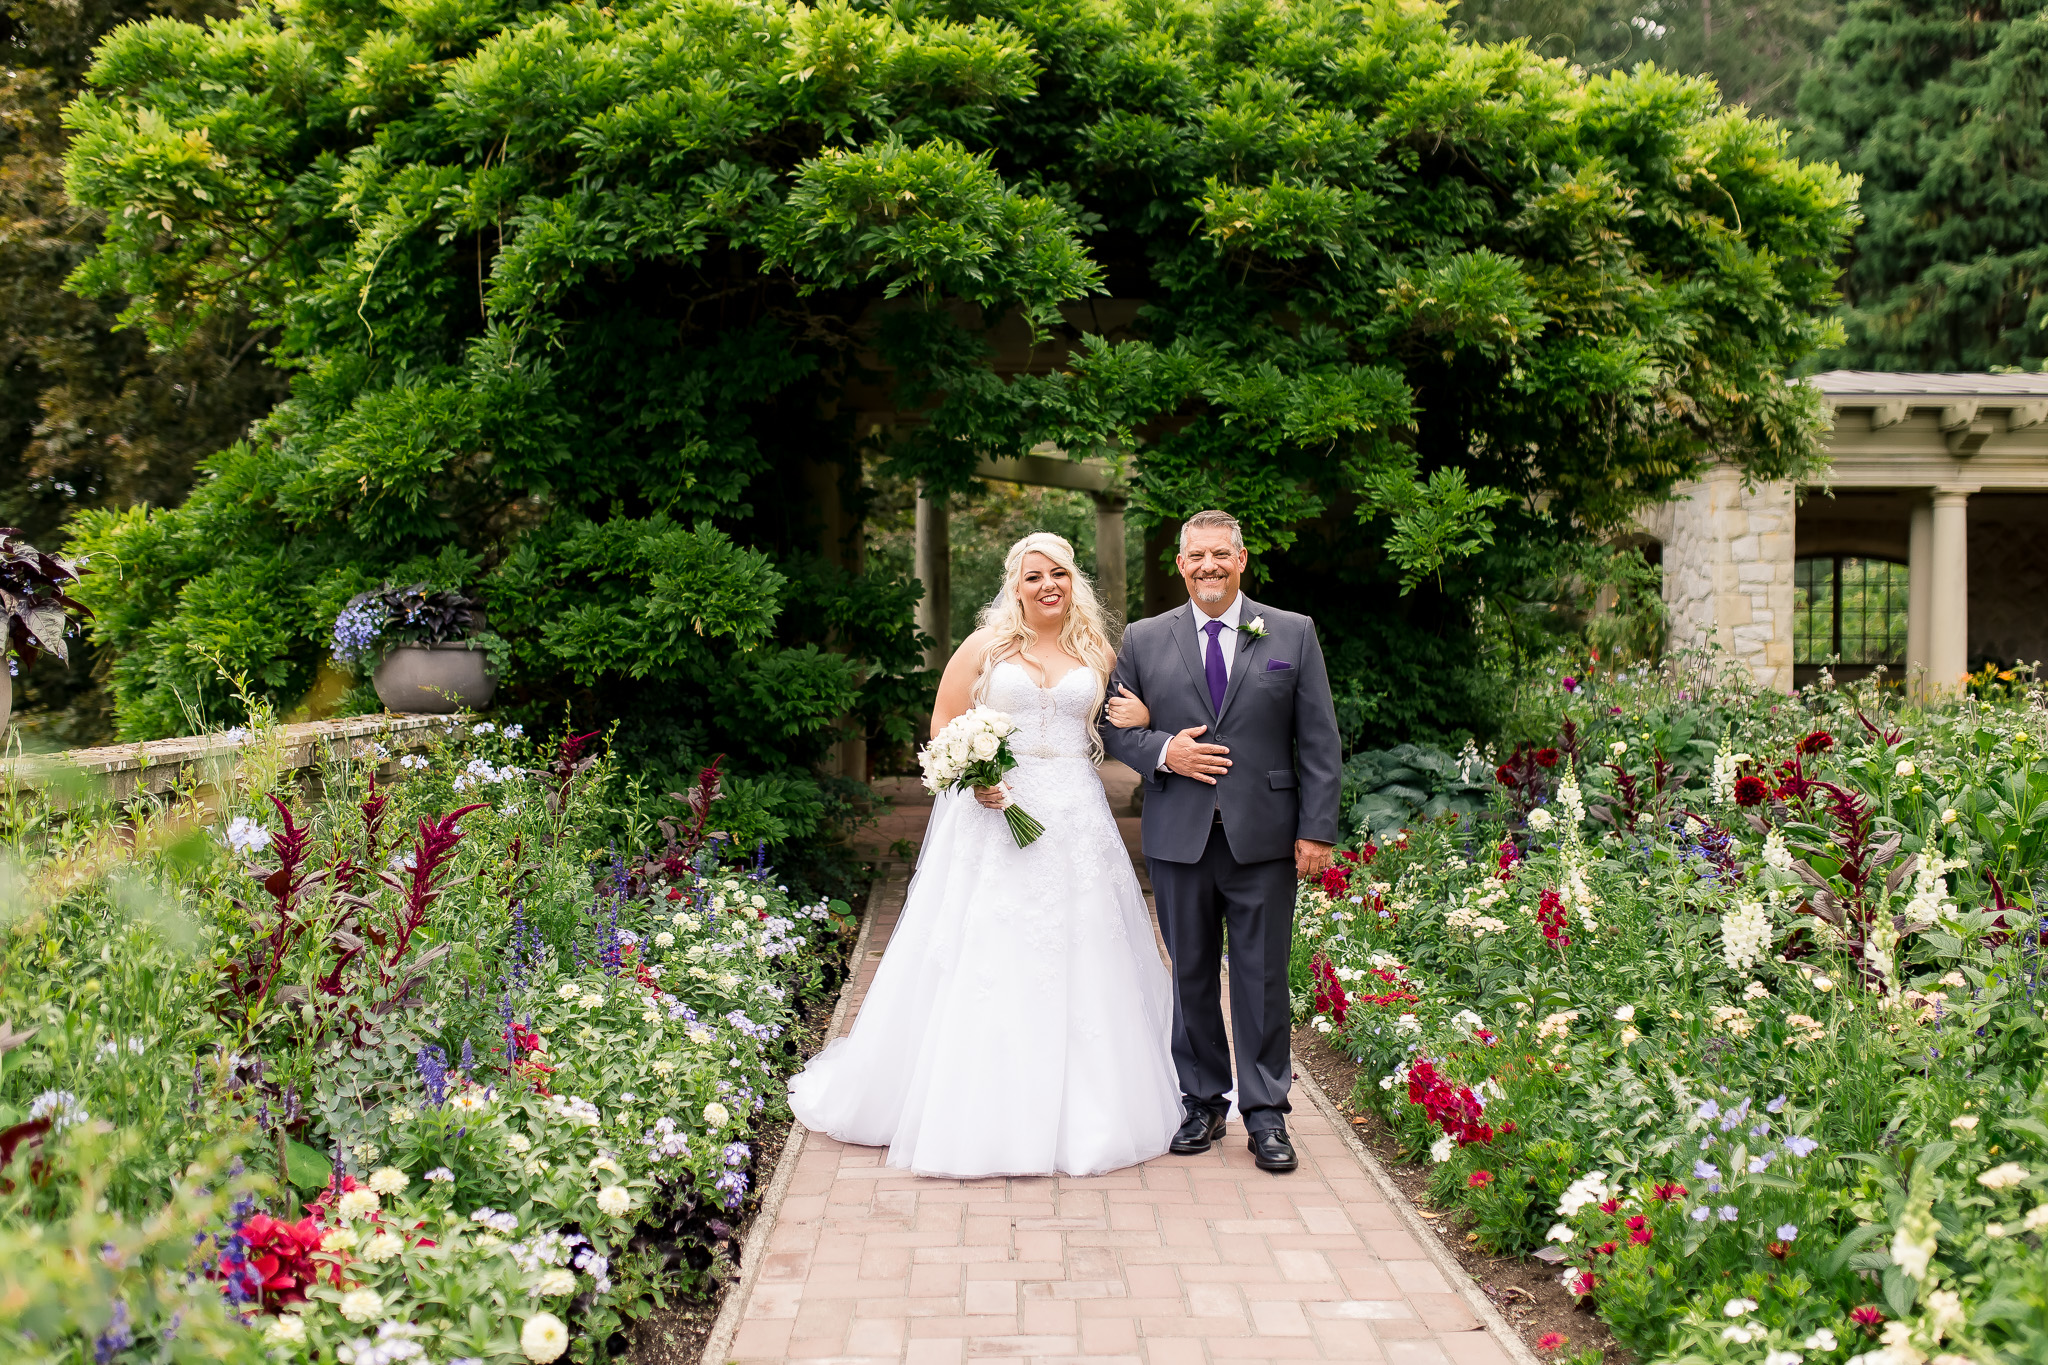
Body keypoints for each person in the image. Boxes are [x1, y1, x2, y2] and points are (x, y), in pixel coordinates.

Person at [787, 531, 1181, 1178]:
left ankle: (1095, 1109)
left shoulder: (1095, 648)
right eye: (1033, 576)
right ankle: (978, 1111)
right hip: (996, 813)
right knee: (990, 946)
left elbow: (1123, 721)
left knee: (1087, 949)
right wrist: (975, 774)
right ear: (1014, 584)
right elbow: (943, 726)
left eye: (1057, 573)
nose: (1047, 585)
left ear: (1072, 579)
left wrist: (1142, 711)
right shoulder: (986, 647)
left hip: (1077, 814)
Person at [1098, 509, 1343, 1173]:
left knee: (1263, 979)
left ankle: (1265, 1115)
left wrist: (1317, 828)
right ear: (1179, 564)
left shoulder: (1291, 631)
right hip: (1180, 834)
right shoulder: (1145, 639)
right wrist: (1164, 750)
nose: (1208, 565)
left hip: (1263, 838)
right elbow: (1114, 729)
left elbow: (1319, 740)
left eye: (1219, 555)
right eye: (1195, 555)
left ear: (1241, 560)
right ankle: (1203, 1100)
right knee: (1194, 974)